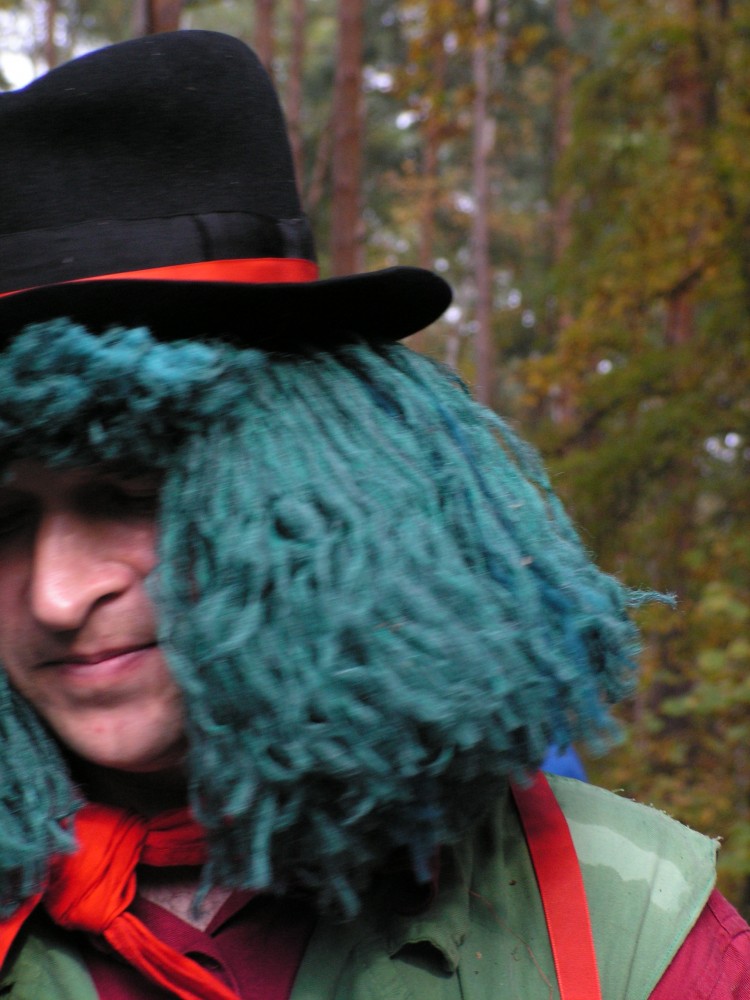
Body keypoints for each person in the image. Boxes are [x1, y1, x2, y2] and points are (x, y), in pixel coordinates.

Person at [0, 29, 746, 1000]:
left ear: (308, 488)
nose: (57, 595)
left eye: (126, 496)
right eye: (5, 520)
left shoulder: (627, 932)